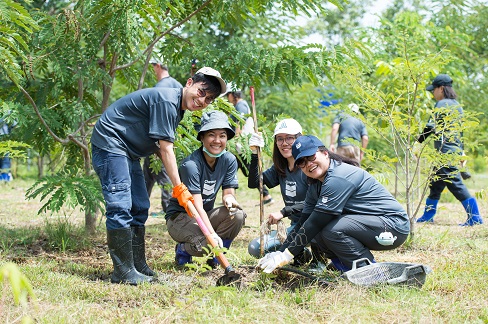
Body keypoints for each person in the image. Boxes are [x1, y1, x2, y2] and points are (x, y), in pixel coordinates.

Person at [91, 67, 227, 285]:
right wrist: (179, 188)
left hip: (128, 152)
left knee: (140, 205)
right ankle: (123, 272)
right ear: (190, 83)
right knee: (120, 204)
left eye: (209, 99)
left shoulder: (177, 109)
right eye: (202, 92)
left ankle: (137, 265)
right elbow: (166, 149)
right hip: (110, 143)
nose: (203, 101)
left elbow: (159, 145)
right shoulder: (166, 100)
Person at [257, 135, 410, 273]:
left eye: (310, 157)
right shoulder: (316, 185)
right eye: (302, 163)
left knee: (330, 229)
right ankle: (343, 267)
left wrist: (286, 255)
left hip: (392, 225)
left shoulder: (339, 176)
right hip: (368, 224)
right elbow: (303, 223)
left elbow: (316, 222)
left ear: (325, 153)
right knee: (316, 230)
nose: (308, 164)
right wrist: (280, 252)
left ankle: (369, 270)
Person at [165, 111, 246, 268]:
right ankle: (183, 250)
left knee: (237, 215)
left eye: (222, 135)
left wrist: (229, 199)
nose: (217, 141)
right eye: (211, 135)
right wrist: (212, 235)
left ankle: (215, 258)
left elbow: (228, 192)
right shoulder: (191, 166)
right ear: (202, 137)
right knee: (207, 244)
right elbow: (197, 207)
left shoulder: (229, 160)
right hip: (181, 218)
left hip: (204, 215)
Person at [416, 74, 483, 226]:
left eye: (434, 90)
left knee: (455, 185)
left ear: (441, 88)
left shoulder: (441, 104)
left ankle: (475, 217)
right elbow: (460, 133)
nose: (433, 93)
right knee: (436, 184)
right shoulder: (457, 106)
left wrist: (417, 142)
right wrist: (461, 152)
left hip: (444, 153)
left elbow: (430, 127)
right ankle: (428, 216)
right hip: (452, 151)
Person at [246, 119, 309, 259]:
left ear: (299, 139)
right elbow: (254, 183)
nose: (284, 143)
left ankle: (313, 254)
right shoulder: (280, 167)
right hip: (295, 227)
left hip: (314, 225)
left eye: (289, 138)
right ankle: (303, 254)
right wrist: (255, 154)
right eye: (280, 139)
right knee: (256, 248)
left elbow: (314, 203)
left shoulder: (309, 166)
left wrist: (283, 212)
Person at [142, 57, 183, 215]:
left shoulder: (160, 86)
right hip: (168, 141)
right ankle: (142, 209)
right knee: (148, 176)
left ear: (157, 66)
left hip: (159, 142)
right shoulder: (177, 85)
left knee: (164, 178)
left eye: (153, 67)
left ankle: (171, 213)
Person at [226, 88, 274, 205]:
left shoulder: (241, 105)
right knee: (230, 171)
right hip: (239, 147)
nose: (227, 98)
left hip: (242, 147)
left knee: (248, 172)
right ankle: (230, 196)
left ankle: (266, 195)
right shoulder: (239, 105)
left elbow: (240, 123)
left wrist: (235, 138)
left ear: (233, 95)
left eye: (228, 95)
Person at [0, 115, 16, 181]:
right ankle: (5, 178)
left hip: (4, 136)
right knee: (5, 159)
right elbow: (13, 124)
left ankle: (4, 178)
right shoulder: (7, 109)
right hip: (4, 137)